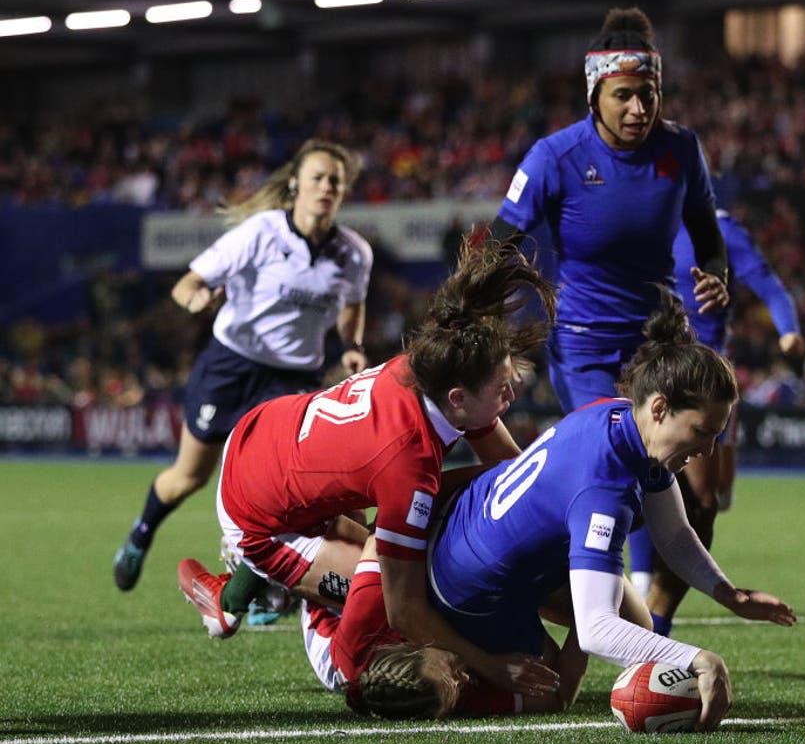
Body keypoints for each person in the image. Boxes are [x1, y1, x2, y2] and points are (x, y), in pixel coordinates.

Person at [177, 239, 562, 697]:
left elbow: (513, 473)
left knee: (428, 523)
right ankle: (299, 609)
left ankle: (243, 592)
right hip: (259, 514)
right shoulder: (407, 464)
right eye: (502, 388)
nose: (512, 395)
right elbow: (405, 609)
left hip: (270, 438)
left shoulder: (434, 366)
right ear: (458, 399)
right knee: (391, 622)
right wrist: (492, 666)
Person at [427, 293, 796, 731]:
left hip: (480, 534)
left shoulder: (627, 422)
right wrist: (699, 659)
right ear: (660, 408)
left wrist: (730, 595)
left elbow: (674, 535)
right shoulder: (605, 486)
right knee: (557, 693)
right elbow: (597, 630)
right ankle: (444, 653)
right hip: (472, 587)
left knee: (637, 621)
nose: (708, 450)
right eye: (702, 431)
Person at [113, 139, 373, 592]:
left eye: (335, 181)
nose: (326, 187)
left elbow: (353, 305)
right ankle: (142, 533)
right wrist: (195, 299)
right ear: (295, 185)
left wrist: (351, 344)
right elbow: (188, 283)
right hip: (231, 367)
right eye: (317, 178)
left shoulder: (354, 253)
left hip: (293, 381)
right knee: (189, 477)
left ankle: (260, 590)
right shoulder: (261, 233)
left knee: (283, 488)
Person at [489, 6, 729, 415]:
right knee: (613, 440)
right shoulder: (555, 156)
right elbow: (495, 248)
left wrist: (716, 275)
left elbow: (708, 236)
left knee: (672, 450)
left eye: (648, 94)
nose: (639, 109)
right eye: (623, 95)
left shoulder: (682, 148)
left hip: (660, 338)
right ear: (594, 97)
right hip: (584, 346)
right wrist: (485, 330)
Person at [628, 208, 803, 637]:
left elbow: (767, 282)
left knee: (715, 498)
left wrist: (788, 330)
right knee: (692, 497)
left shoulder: (719, 229)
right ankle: (648, 605)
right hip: (663, 374)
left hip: (713, 379)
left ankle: (649, 605)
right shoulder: (640, 215)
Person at [300, 535, 589, 719]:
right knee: (541, 662)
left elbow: (380, 539)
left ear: (416, 646)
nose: (463, 678)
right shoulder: (450, 693)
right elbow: (558, 697)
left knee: (351, 531)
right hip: (410, 626)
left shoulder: (360, 639)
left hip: (330, 611)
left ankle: (281, 586)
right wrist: (589, 614)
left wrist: (487, 664)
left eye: (451, 672)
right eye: (456, 690)